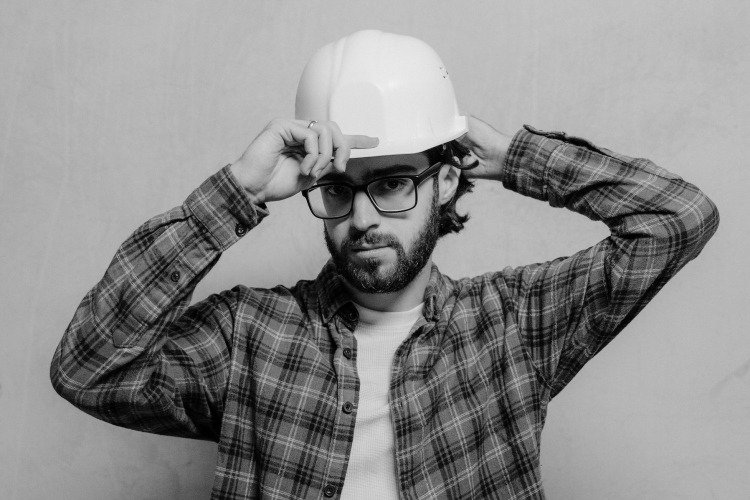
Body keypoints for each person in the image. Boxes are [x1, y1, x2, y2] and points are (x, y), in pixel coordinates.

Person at [51, 30, 719, 499]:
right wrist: (238, 191)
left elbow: (677, 218)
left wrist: (521, 157)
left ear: (448, 182)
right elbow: (88, 370)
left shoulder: (517, 324)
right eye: (340, 189)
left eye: (394, 182)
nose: (363, 218)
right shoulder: (248, 336)